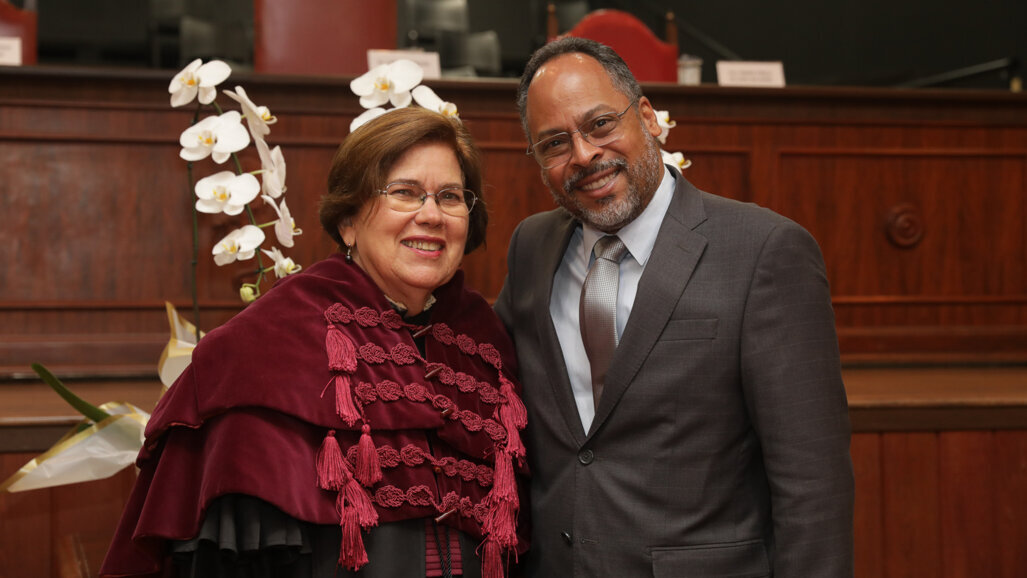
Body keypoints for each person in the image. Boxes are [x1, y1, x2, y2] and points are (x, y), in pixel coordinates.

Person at [102, 107, 528, 578]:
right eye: (404, 193)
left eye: (449, 197)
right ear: (348, 221)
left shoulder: (487, 341)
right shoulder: (265, 341)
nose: (430, 215)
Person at [494, 37, 854, 577]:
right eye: (554, 143)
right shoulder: (532, 248)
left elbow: (813, 482)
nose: (584, 155)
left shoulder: (763, 251)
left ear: (648, 118)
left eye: (600, 124)